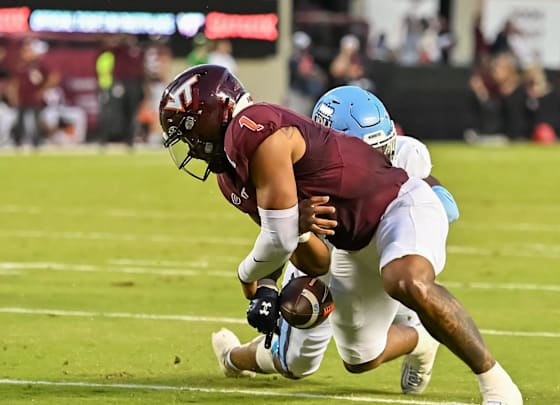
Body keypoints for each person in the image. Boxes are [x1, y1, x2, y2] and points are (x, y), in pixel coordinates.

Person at [158, 65, 522, 404]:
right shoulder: (233, 175)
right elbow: (310, 255)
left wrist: (251, 277)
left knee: (406, 281)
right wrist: (296, 239)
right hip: (345, 244)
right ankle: (421, 339)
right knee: (350, 356)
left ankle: (496, 383)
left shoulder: (256, 128)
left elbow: (443, 207)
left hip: (395, 209)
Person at [210, 85, 460, 393]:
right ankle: (233, 358)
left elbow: (446, 208)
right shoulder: (303, 165)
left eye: (381, 148)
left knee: (363, 354)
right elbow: (282, 238)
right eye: (366, 152)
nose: (374, 159)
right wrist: (267, 283)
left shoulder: (406, 154)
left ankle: (419, 336)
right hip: (318, 253)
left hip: (370, 248)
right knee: (295, 361)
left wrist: (425, 202)